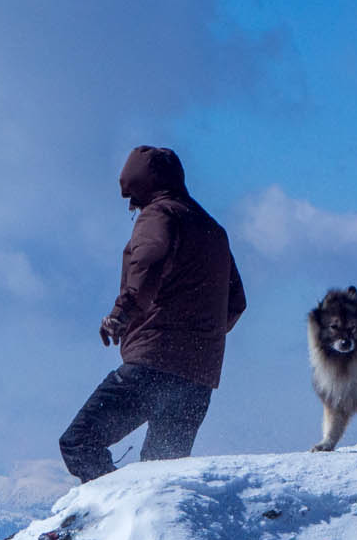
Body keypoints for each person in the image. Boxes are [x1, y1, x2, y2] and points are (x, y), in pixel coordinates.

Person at [59, 145, 247, 482]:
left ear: (147, 187)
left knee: (79, 442)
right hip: (198, 378)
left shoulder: (159, 215)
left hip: (152, 368)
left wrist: (122, 313)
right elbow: (236, 303)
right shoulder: (214, 230)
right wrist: (198, 338)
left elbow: (150, 263)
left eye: (133, 194)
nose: (131, 204)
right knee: (159, 475)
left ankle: (117, 511)